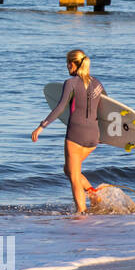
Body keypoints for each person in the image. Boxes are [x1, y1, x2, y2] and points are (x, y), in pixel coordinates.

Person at [31, 49, 104, 214]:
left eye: (67, 63)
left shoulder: (70, 83)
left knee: (73, 177)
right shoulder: (98, 84)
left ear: (72, 64)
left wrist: (41, 126)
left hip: (76, 135)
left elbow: (60, 108)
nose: (66, 67)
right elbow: (105, 109)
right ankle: (93, 195)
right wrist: (104, 136)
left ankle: (81, 213)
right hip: (93, 137)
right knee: (70, 170)